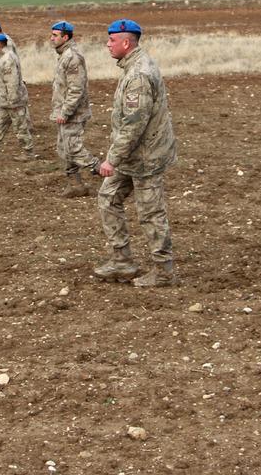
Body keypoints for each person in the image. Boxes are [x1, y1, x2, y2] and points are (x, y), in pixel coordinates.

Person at [93, 19, 178, 288]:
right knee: (108, 197)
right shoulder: (132, 67)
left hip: (146, 157)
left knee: (151, 212)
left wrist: (112, 159)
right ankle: (122, 260)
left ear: (126, 43)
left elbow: (134, 125)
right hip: (133, 155)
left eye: (112, 40)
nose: (107, 44)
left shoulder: (138, 75)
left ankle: (164, 271)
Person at [49, 20, 99, 197]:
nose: (51, 38)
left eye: (55, 35)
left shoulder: (72, 57)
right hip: (65, 112)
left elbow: (76, 89)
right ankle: (76, 185)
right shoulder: (64, 55)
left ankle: (104, 171)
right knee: (64, 148)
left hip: (73, 114)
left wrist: (65, 112)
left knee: (72, 148)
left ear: (65, 37)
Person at [0, 33, 36, 162]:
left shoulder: (7, 59)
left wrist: (12, 101)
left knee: (20, 128)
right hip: (6, 102)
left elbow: (12, 82)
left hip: (13, 102)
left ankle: (29, 154)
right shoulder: (5, 57)